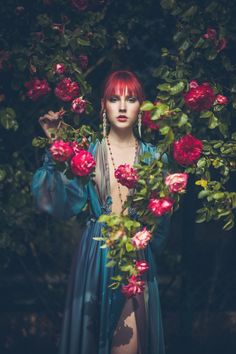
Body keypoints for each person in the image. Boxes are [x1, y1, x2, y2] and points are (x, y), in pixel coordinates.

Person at [32, 70, 170, 354]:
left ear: (141, 107)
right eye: (113, 99)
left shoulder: (155, 157)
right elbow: (63, 202)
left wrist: (144, 237)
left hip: (135, 255)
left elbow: (162, 220)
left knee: (128, 344)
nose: (121, 107)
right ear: (103, 106)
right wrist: (57, 146)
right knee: (93, 343)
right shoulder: (89, 152)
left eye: (130, 99)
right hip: (96, 254)